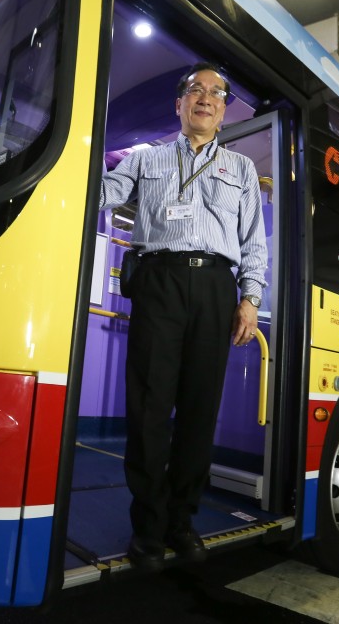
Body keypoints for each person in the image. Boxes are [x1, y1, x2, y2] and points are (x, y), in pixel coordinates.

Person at [100, 62, 268, 571]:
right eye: (196, 89)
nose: (206, 97)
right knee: (150, 407)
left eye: (218, 93)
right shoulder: (146, 158)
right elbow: (103, 195)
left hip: (217, 288)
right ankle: (148, 530)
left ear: (222, 112)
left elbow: (253, 241)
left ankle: (182, 521)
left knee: (199, 409)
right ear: (179, 104)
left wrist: (250, 299)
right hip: (160, 281)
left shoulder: (240, 170)